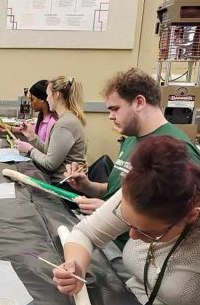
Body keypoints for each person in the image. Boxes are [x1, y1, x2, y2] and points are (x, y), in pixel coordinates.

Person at [53, 136, 200, 305]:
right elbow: (84, 233)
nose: (131, 236)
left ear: (191, 216)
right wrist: (76, 265)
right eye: (126, 222)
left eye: (148, 232)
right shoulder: (143, 190)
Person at [65, 68, 200, 216]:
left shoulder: (176, 147)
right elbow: (118, 192)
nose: (110, 116)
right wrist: (87, 186)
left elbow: (184, 215)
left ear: (139, 102)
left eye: (115, 109)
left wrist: (114, 213)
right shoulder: (131, 139)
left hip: (134, 239)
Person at [15, 76, 87, 183]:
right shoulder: (66, 119)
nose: (47, 99)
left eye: (48, 95)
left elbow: (50, 164)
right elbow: (51, 152)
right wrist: (32, 137)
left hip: (62, 185)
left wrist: (30, 149)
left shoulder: (64, 124)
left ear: (56, 95)